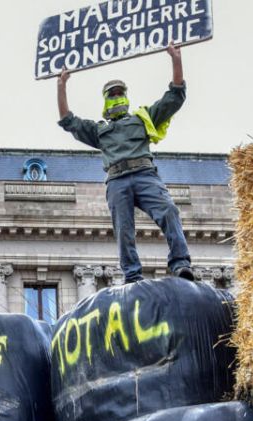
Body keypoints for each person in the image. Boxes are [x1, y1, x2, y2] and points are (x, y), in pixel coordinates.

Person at [56, 44, 194, 283]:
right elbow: (69, 121)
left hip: (144, 174)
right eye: (112, 94)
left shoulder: (143, 118)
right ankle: (132, 275)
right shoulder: (100, 130)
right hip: (117, 180)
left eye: (120, 93)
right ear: (106, 100)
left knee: (169, 210)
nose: (117, 97)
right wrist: (61, 85)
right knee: (124, 230)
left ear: (126, 96)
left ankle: (181, 264)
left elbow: (175, 96)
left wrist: (176, 59)